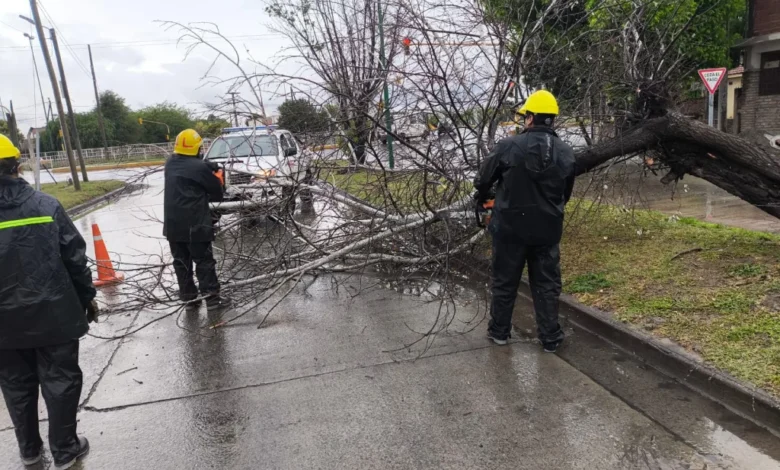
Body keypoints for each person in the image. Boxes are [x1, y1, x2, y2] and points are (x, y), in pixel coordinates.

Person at [0, 134, 96, 468]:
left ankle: (29, 452)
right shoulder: (46, 206)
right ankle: (65, 450)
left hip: (4, 325)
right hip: (54, 314)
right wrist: (87, 299)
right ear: (16, 164)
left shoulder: (45, 206)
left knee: (15, 385)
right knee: (61, 382)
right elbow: (75, 259)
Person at [473, 90, 576, 353]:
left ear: (530, 118)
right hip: (547, 230)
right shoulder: (565, 152)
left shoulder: (508, 146)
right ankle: (550, 338)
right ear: (552, 119)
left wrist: (484, 198)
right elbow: (565, 194)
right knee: (546, 285)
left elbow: (484, 180)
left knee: (505, 281)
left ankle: (499, 332)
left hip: (510, 229)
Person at [164, 129, 231, 310]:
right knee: (204, 262)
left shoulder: (170, 164)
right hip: (196, 224)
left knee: (181, 263)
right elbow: (217, 195)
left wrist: (208, 165)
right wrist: (218, 179)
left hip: (173, 226)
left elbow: (191, 166)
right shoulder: (200, 168)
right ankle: (213, 300)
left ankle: (190, 301)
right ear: (196, 148)